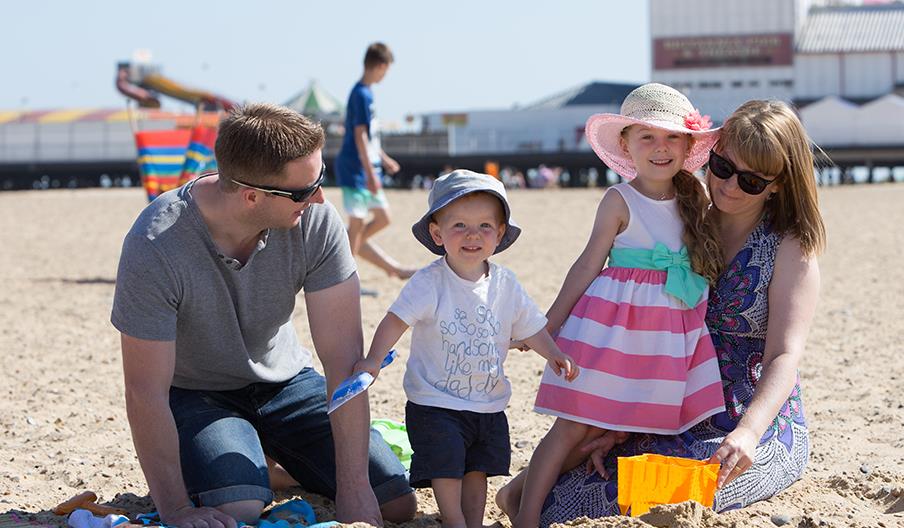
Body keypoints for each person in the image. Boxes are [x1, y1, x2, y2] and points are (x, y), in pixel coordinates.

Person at [111, 103, 416, 528]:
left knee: (395, 501)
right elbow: (144, 392)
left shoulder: (316, 219)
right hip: (199, 393)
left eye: (320, 180)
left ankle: (273, 464)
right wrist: (176, 510)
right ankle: (251, 465)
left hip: (286, 382)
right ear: (252, 196)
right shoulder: (156, 244)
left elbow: (342, 360)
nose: (321, 198)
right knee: (239, 508)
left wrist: (354, 488)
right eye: (304, 190)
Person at [524, 99, 825, 525]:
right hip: (670, 393)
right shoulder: (689, 216)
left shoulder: (791, 246)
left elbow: (784, 356)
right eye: (722, 168)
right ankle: (523, 490)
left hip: (750, 415)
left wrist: (749, 434)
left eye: (752, 181)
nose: (730, 187)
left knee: (650, 496)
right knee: (573, 493)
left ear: (777, 185)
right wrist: (625, 413)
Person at [501, 83, 727, 527]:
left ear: (687, 144)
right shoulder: (619, 199)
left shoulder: (697, 198)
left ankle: (513, 492)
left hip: (664, 336)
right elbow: (587, 265)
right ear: (625, 144)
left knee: (610, 429)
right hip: (611, 329)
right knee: (573, 426)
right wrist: (548, 326)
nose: (660, 149)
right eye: (647, 137)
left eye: (671, 138)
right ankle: (526, 516)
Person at [354, 170, 579, 528]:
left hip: (488, 401)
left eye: (485, 226)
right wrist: (372, 359)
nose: (473, 235)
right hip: (435, 401)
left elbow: (532, 326)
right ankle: (454, 520)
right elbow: (395, 320)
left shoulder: (505, 284)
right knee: (446, 467)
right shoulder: (430, 282)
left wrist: (552, 352)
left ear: (501, 233)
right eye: (459, 225)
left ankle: (472, 521)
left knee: (478, 468)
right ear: (437, 233)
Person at [335, 42, 414, 280]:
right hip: (355, 167)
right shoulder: (360, 93)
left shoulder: (367, 93)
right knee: (357, 223)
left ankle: (346, 252)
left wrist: (384, 159)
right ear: (380, 66)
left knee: (381, 219)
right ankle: (344, 275)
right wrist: (370, 173)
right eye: (386, 70)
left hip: (365, 165)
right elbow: (359, 135)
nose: (385, 75)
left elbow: (368, 137)